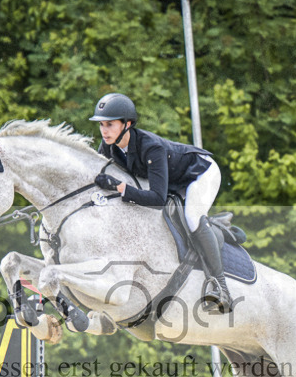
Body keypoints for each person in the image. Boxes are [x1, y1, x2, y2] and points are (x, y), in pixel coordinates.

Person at [89, 93, 231, 313]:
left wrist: (119, 187)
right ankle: (213, 228)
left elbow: (157, 199)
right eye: (101, 125)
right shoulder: (109, 146)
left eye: (110, 124)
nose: (104, 131)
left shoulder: (151, 147)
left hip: (199, 173)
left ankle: (221, 288)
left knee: (192, 217)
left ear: (127, 124)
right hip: (170, 180)